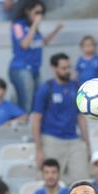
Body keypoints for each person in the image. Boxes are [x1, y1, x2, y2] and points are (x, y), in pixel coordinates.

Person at [32, 53, 89, 182]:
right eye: (64, 68)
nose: (67, 71)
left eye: (69, 67)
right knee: (50, 181)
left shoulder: (76, 87)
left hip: (74, 140)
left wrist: (87, 143)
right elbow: (36, 120)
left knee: (82, 181)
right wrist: (39, 150)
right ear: (54, 68)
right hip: (52, 139)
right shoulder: (46, 89)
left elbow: (81, 117)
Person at [9, 0, 63, 114]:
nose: (40, 16)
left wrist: (56, 30)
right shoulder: (18, 26)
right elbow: (24, 44)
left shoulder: (35, 29)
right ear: (27, 11)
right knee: (26, 104)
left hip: (34, 69)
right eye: (37, 12)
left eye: (42, 13)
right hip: (21, 68)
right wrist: (34, 25)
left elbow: (43, 42)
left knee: (38, 102)